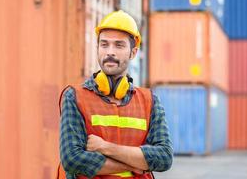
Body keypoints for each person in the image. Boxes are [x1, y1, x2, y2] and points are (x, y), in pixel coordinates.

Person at [57, 10, 173, 179]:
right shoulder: (75, 98)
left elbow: (164, 158)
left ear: (133, 52)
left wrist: (105, 147)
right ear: (97, 49)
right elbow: (73, 160)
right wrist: (138, 163)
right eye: (104, 44)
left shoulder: (150, 101)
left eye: (119, 45)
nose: (110, 51)